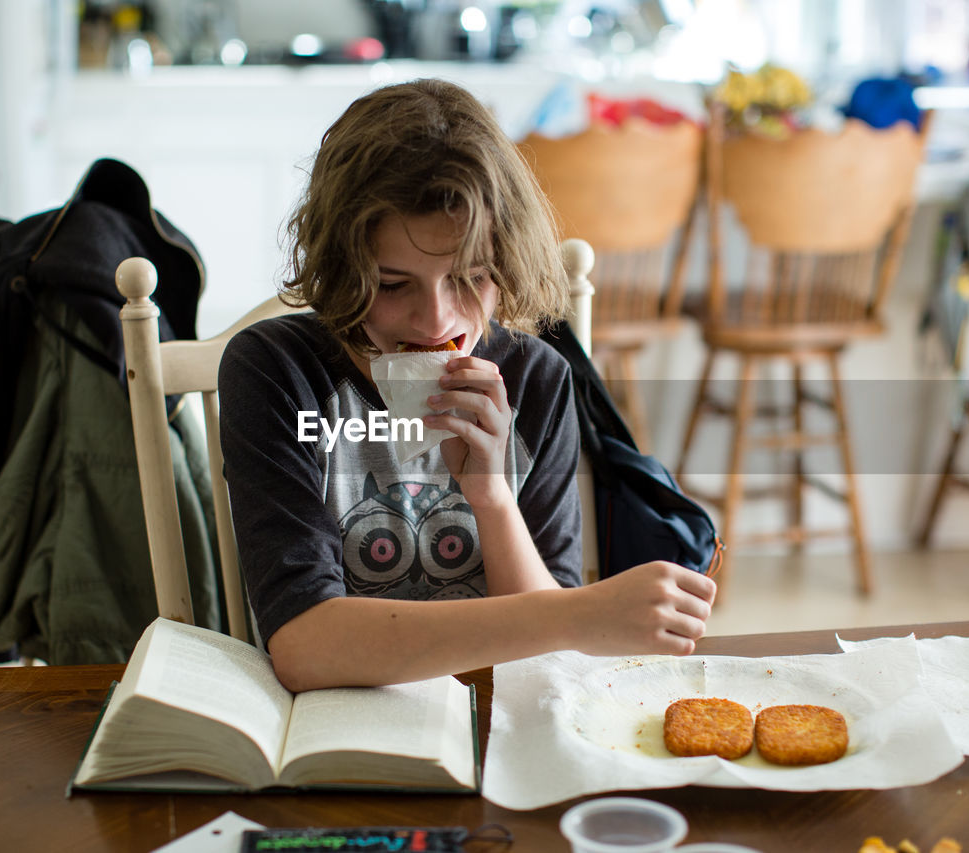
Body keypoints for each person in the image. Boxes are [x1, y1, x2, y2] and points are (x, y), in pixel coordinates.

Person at [219, 78, 715, 691]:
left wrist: (492, 497)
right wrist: (581, 614)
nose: (437, 320)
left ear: (506, 263)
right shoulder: (276, 371)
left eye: (470, 276)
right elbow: (303, 646)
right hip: (336, 722)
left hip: (497, 710)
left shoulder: (536, 377)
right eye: (393, 284)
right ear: (342, 269)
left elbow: (543, 657)